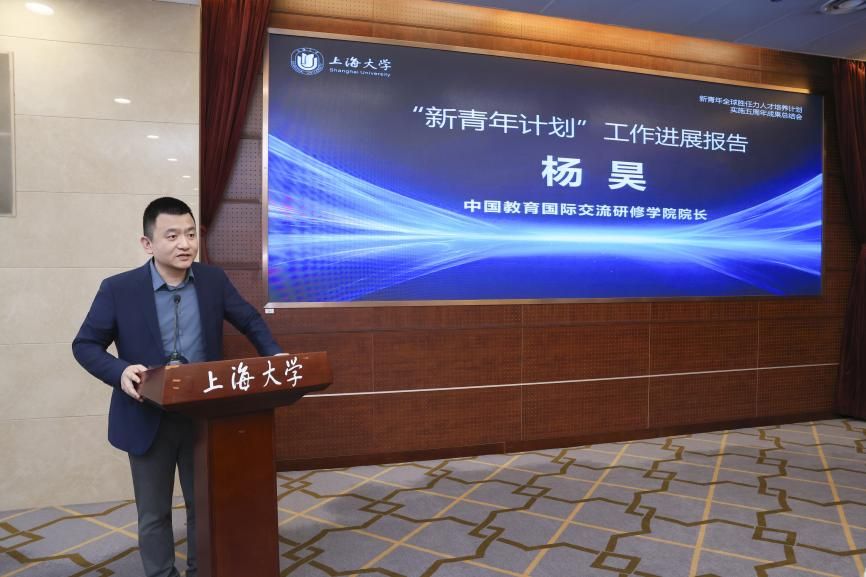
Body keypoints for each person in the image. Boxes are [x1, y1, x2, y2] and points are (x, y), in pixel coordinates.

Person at [72, 197, 282, 577]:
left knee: (204, 506)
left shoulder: (213, 281)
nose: (185, 244)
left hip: (203, 416)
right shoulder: (119, 289)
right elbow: (85, 345)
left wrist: (275, 357)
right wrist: (120, 371)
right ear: (147, 243)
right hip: (146, 415)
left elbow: (250, 320)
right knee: (154, 513)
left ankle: (202, 570)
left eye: (190, 234)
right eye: (172, 236)